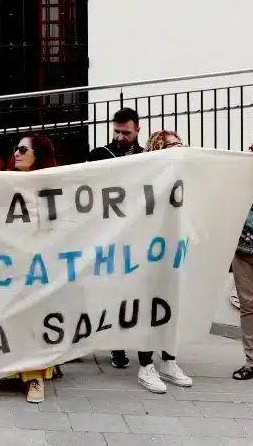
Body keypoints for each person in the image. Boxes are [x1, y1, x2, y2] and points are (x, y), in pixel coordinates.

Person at [0, 134, 57, 406]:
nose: (18, 153)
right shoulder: (5, 182)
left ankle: (35, 376)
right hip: (7, 264)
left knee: (33, 320)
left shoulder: (50, 188)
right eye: (16, 149)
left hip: (36, 266)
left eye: (24, 149)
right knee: (4, 317)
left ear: (38, 155)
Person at [122, 130, 192, 392]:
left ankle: (169, 361)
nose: (178, 148)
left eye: (180, 144)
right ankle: (146, 365)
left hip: (175, 249)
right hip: (149, 251)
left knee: (171, 304)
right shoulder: (146, 176)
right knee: (148, 308)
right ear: (157, 148)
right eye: (172, 144)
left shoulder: (185, 175)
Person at [87, 107, 143, 370]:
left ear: (138, 130)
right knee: (111, 292)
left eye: (126, 133)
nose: (121, 137)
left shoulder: (148, 159)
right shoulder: (99, 155)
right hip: (107, 236)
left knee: (134, 293)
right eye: (117, 132)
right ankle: (116, 345)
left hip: (136, 237)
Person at [232, 137, 253, 381]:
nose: (251, 151)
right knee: (248, 308)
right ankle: (252, 362)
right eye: (251, 147)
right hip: (242, 251)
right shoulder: (239, 176)